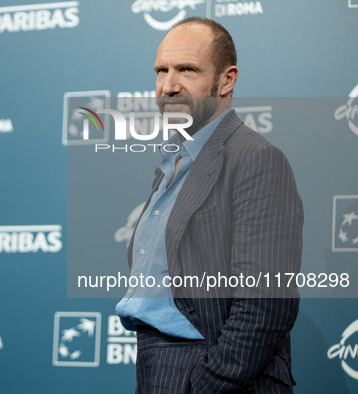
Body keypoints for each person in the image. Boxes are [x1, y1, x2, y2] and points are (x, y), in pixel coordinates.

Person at [115, 17, 304, 393]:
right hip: (155, 365)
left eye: (187, 70)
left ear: (226, 79)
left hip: (212, 373)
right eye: (161, 71)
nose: (169, 85)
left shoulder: (255, 158)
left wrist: (206, 383)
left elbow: (266, 301)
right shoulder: (173, 161)